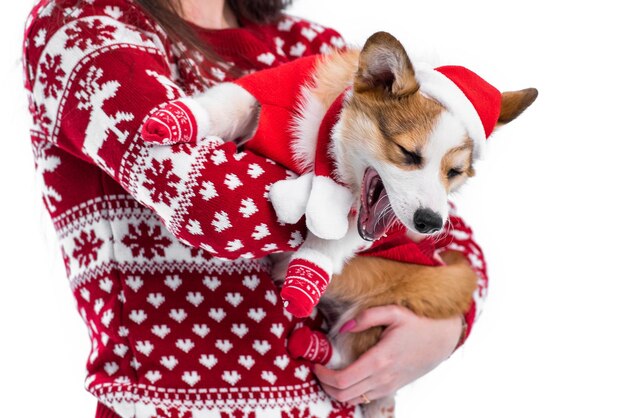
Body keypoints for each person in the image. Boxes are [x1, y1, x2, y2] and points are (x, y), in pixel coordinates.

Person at [22, 0, 488, 417]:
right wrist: (357, 203)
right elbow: (208, 201)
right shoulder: (82, 28)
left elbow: (449, 234)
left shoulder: (311, 43)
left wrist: (444, 331)